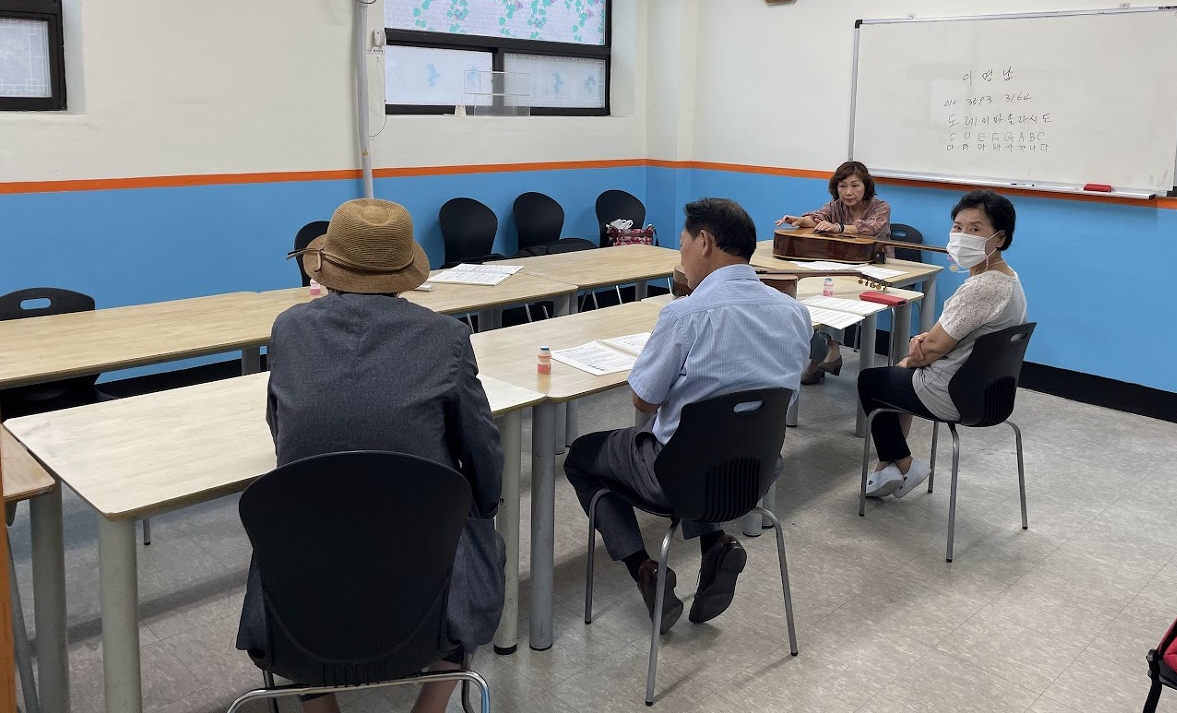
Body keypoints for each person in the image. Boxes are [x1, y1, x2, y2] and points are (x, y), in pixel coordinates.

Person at [236, 198, 503, 713]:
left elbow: (280, 431)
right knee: (478, 536)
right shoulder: (447, 338)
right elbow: (481, 452)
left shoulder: (288, 328)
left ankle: (320, 705)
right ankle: (429, 708)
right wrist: (482, 507)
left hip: (304, 579)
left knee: (294, 551)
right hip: (420, 566)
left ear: (326, 267)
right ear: (404, 273)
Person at [564, 197, 812, 633]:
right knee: (705, 442)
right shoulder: (795, 313)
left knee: (584, 457)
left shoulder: (685, 314)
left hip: (677, 477)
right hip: (754, 473)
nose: (682, 260)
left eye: (682, 247)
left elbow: (643, 399)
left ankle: (644, 568)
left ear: (705, 242)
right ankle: (716, 544)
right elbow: (786, 399)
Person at [857, 190, 1027, 500]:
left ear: (1000, 238)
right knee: (898, 375)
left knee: (871, 381)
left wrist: (919, 350)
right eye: (958, 227)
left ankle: (905, 465)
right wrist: (925, 345)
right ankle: (887, 468)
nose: (962, 236)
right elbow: (953, 335)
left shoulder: (983, 287)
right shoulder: (1008, 279)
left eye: (975, 229)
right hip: (990, 393)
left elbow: (931, 351)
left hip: (955, 393)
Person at [776, 160, 893, 385]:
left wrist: (838, 228)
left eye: (855, 185)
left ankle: (823, 356)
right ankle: (831, 350)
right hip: (844, 265)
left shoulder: (881, 207)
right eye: (842, 186)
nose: (848, 192)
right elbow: (818, 217)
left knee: (838, 293)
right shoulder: (836, 206)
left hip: (878, 266)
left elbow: (870, 228)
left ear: (866, 186)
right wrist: (800, 220)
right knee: (823, 294)